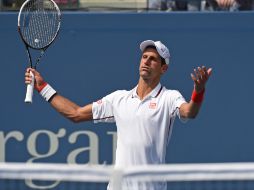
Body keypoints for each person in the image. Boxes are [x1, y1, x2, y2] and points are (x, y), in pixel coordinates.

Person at [25, 40, 212, 190]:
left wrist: (199, 91)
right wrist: (42, 87)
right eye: (144, 57)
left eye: (153, 59)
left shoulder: (169, 97)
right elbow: (75, 114)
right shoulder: (118, 99)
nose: (146, 61)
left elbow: (189, 112)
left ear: (163, 69)